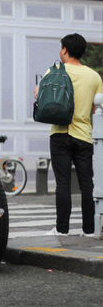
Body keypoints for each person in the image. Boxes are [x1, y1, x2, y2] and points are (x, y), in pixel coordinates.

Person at [34, 33, 103, 237]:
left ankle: (62, 229)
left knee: (62, 183)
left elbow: (39, 94)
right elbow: (96, 106)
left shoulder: (54, 71)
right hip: (84, 135)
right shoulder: (94, 76)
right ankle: (89, 230)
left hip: (60, 133)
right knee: (87, 183)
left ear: (64, 50)